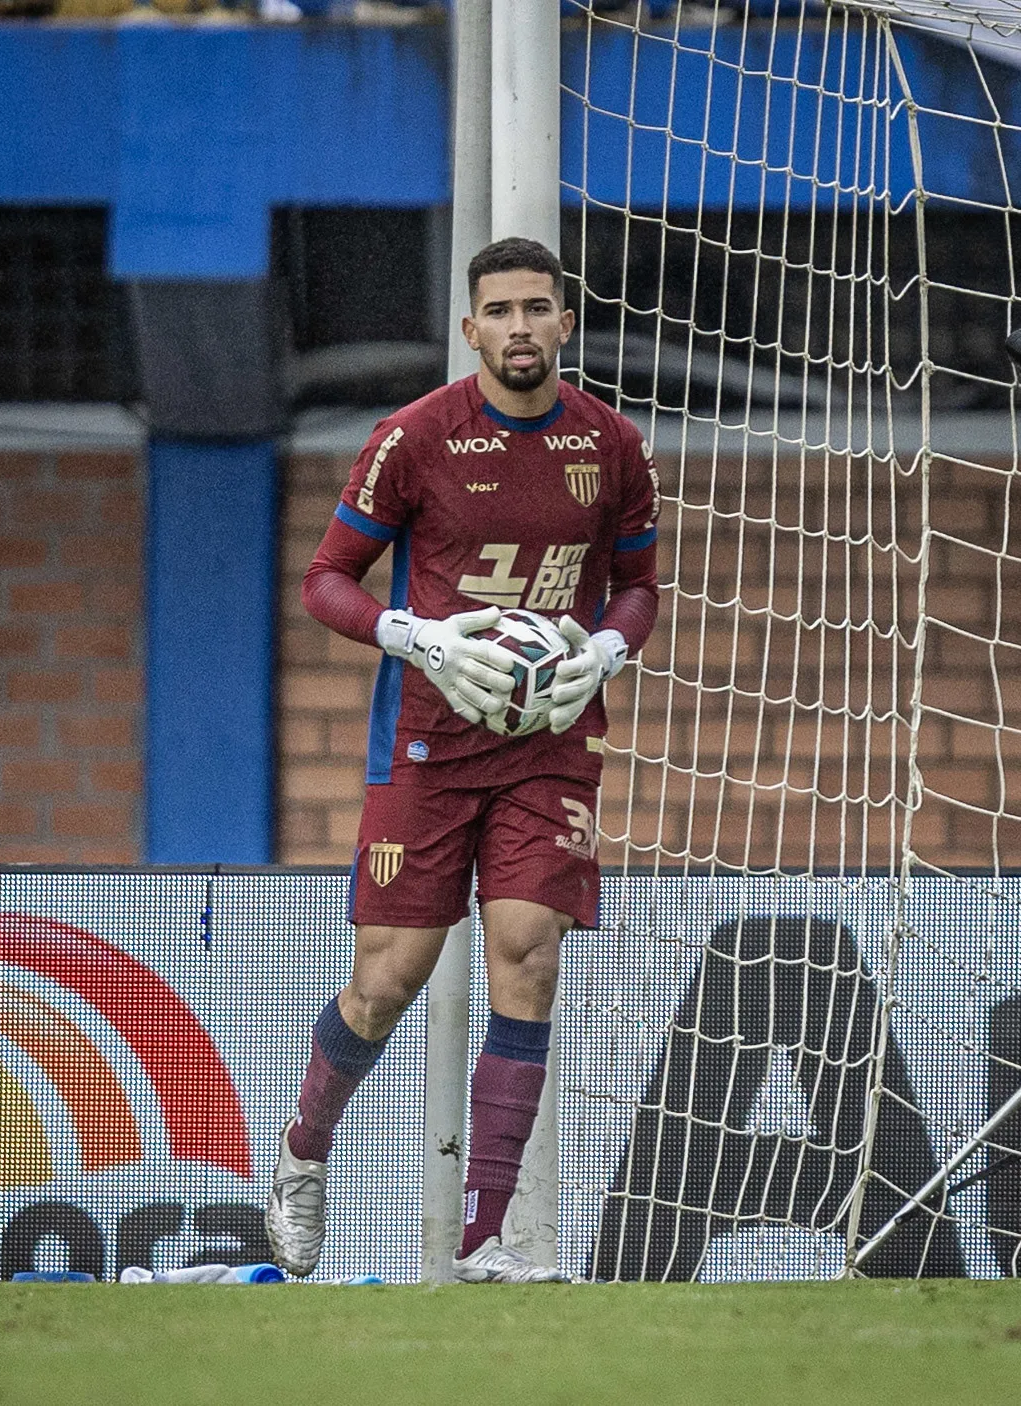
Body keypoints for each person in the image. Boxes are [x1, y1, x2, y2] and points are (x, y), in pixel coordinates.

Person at [266, 236, 661, 1283]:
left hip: (551, 738)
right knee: (390, 979)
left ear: (566, 322)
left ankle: (487, 1238)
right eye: (502, 309)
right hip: (429, 739)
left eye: (540, 307)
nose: (522, 326)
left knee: (528, 951)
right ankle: (304, 1151)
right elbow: (327, 578)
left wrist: (612, 647)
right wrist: (417, 633)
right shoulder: (415, 438)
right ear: (471, 327)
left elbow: (638, 584)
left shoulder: (612, 444)